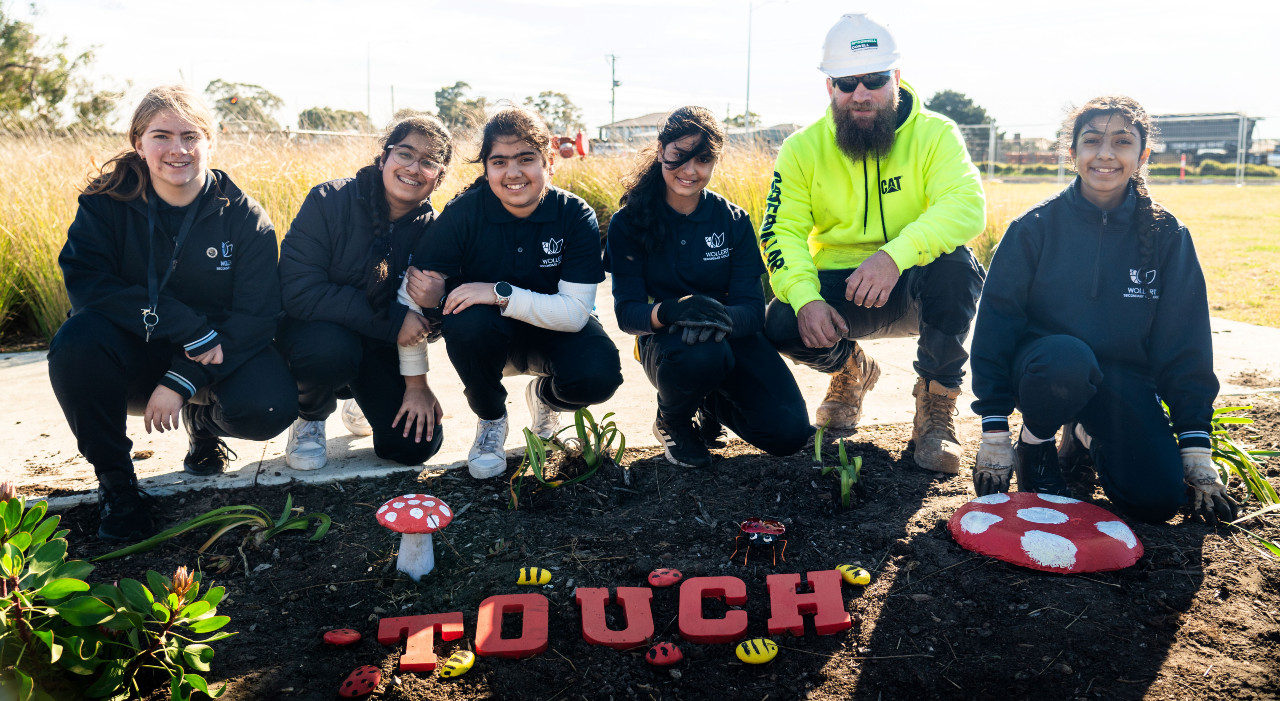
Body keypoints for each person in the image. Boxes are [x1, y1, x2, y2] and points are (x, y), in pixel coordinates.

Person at [969, 96, 1237, 525]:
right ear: (1072, 152)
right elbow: (995, 330)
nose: (1106, 154)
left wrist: (1195, 446)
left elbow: (1184, 343)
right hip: (1046, 373)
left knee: (1157, 501)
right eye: (1092, 140)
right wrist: (995, 430)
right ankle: (1036, 444)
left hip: (1120, 381)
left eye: (1122, 142)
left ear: (1142, 155)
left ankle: (1083, 434)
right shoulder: (1033, 229)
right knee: (1066, 360)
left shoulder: (1168, 235)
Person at [48, 85, 296, 541]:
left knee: (269, 406)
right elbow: (88, 284)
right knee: (76, 342)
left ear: (210, 141)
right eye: (161, 136)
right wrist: (184, 325)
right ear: (139, 144)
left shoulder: (246, 218)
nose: (177, 150)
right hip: (136, 352)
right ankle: (118, 487)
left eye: (190, 136)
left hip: (215, 356)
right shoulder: (105, 205)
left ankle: (202, 422)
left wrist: (183, 377)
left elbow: (256, 317)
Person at [759, 13, 987, 474]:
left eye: (875, 79)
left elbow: (966, 207)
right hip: (845, 294)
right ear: (829, 88)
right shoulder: (802, 148)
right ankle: (850, 370)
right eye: (846, 82)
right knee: (781, 319)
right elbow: (781, 231)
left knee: (957, 266)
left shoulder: (936, 133)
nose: (860, 94)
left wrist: (893, 256)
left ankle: (936, 406)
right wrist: (805, 298)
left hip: (916, 286)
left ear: (896, 79)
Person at [404, 107, 623, 479]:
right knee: (466, 320)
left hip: (555, 331)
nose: (513, 173)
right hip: (490, 339)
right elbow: (416, 294)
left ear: (549, 161)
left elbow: (573, 314)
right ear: (486, 168)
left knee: (598, 375)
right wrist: (416, 380)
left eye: (526, 159)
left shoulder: (574, 215)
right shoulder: (463, 213)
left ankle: (544, 398)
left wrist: (498, 292)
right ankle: (491, 420)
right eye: (499, 161)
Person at [607, 106, 812, 468]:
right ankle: (671, 420)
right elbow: (628, 314)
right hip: (671, 345)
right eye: (678, 156)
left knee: (789, 435)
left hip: (731, 333)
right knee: (702, 356)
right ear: (660, 152)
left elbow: (751, 310)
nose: (689, 170)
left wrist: (716, 319)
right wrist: (672, 311)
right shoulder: (628, 222)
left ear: (715, 162)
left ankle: (707, 399)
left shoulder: (733, 220)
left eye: (702, 159)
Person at [276, 113, 452, 471]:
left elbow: (422, 325)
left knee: (415, 446)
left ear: (439, 177)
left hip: (378, 348)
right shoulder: (328, 200)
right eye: (405, 154)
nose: (414, 168)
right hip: (318, 338)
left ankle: (361, 395)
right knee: (331, 350)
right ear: (384, 157)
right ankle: (310, 414)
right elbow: (297, 290)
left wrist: (437, 304)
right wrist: (392, 322)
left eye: (429, 162)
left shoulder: (436, 231)